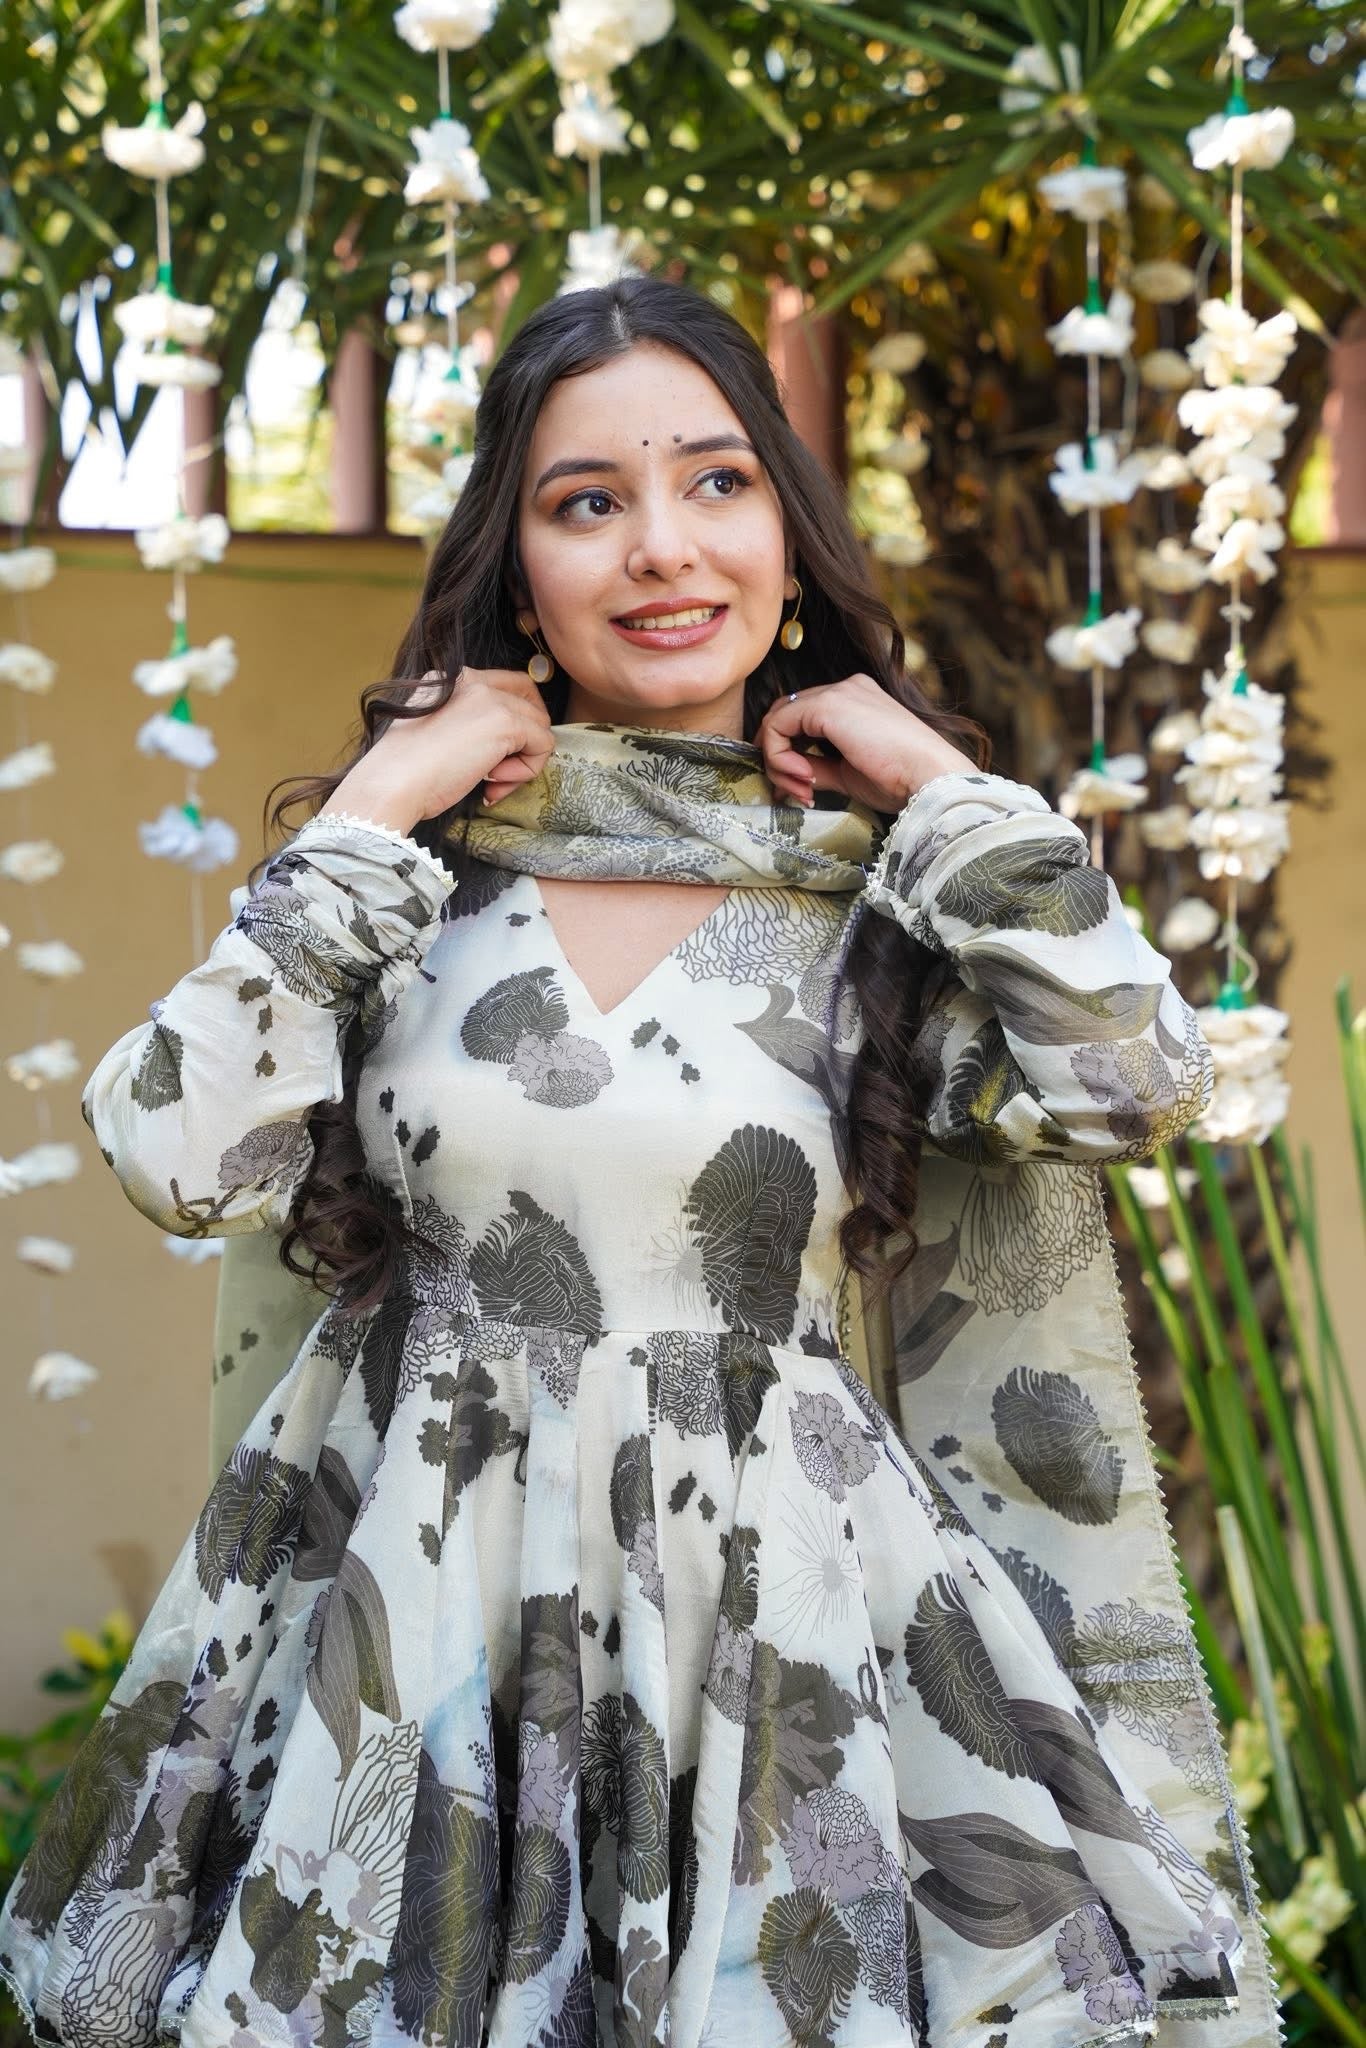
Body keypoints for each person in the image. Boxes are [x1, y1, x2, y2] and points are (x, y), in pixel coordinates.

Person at [0, 277, 1279, 2048]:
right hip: (422, 1627)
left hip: (779, 1629)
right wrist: (380, 800)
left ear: (787, 539)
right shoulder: (406, 895)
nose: (661, 547)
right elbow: (172, 1148)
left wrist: (926, 778)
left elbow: (1140, 1082)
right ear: (516, 574)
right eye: (587, 501)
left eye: (717, 482)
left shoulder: (884, 907)